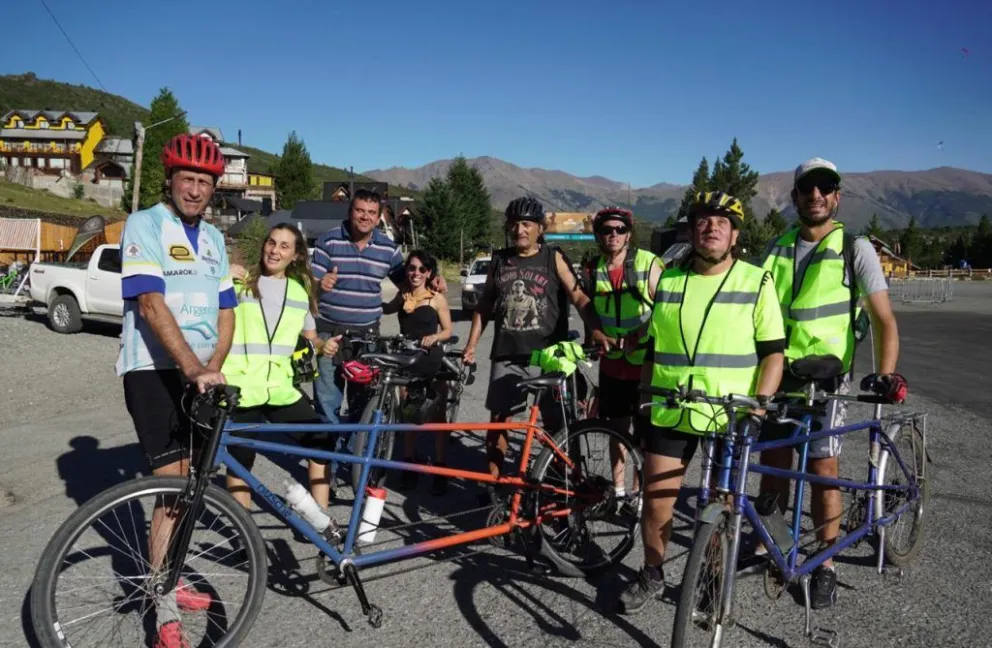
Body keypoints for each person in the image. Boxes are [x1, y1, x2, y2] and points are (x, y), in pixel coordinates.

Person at [616, 191, 785, 615]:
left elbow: (773, 354)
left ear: (734, 235)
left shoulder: (756, 280)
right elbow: (655, 348)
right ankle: (653, 573)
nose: (711, 227)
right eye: (703, 221)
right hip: (671, 409)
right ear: (692, 231)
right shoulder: (670, 280)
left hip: (729, 414)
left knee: (720, 507)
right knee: (656, 503)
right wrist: (644, 397)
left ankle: (709, 576)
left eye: (721, 222)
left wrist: (759, 406)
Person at [753, 158, 906, 609]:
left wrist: (886, 372)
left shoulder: (854, 248)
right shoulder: (778, 247)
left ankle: (826, 562)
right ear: (795, 196)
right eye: (807, 188)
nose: (816, 195)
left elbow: (883, 318)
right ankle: (773, 543)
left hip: (827, 379)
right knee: (773, 463)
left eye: (826, 187)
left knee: (822, 471)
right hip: (781, 372)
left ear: (836, 197)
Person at [116, 133, 236, 646]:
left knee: (191, 490)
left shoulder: (214, 237)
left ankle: (170, 574)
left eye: (203, 181)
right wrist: (191, 367)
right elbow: (149, 304)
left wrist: (213, 364)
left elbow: (227, 310)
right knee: (170, 490)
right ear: (170, 179)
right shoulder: (145, 224)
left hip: (200, 372)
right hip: (154, 370)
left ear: (214, 188)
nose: (194, 189)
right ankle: (163, 605)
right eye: (186, 179)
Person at [461, 196, 612, 494]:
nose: (520, 230)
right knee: (499, 423)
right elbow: (485, 305)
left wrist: (595, 329)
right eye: (515, 224)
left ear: (539, 228)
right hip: (507, 354)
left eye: (527, 224)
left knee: (559, 426)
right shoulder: (499, 260)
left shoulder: (553, 257)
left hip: (549, 356)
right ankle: (494, 484)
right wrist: (471, 345)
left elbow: (579, 297)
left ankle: (561, 486)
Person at [223, 223, 342, 510]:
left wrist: (324, 347)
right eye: (271, 243)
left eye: (284, 246)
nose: (275, 250)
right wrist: (220, 279)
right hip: (242, 388)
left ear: (296, 255)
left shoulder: (300, 294)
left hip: (280, 389)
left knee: (321, 442)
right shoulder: (239, 282)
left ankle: (320, 520)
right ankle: (244, 533)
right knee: (240, 458)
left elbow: (311, 338)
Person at [310, 189, 446, 426]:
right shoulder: (327, 240)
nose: (365, 217)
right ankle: (326, 456)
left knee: (362, 401)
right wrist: (320, 284)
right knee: (326, 398)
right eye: (360, 210)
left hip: (366, 335)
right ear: (350, 211)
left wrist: (433, 280)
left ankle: (354, 458)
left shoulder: (387, 248)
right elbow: (310, 285)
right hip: (329, 332)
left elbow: (408, 282)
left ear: (378, 216)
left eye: (371, 213)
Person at [584, 206, 664, 504]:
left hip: (644, 365)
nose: (613, 235)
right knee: (615, 431)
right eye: (607, 230)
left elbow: (665, 310)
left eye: (619, 230)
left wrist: (640, 335)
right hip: (612, 366)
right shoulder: (593, 269)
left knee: (644, 434)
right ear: (598, 236)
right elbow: (589, 311)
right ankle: (618, 491)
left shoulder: (647, 264)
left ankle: (639, 491)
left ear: (629, 234)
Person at [382, 250, 454, 495]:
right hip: (407, 358)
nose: (415, 273)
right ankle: (410, 463)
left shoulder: (436, 299)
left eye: (421, 269)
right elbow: (384, 309)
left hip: (431, 358)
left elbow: (447, 330)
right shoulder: (403, 296)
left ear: (429, 273)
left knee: (437, 414)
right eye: (412, 268)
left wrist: (434, 337)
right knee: (409, 412)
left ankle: (441, 466)